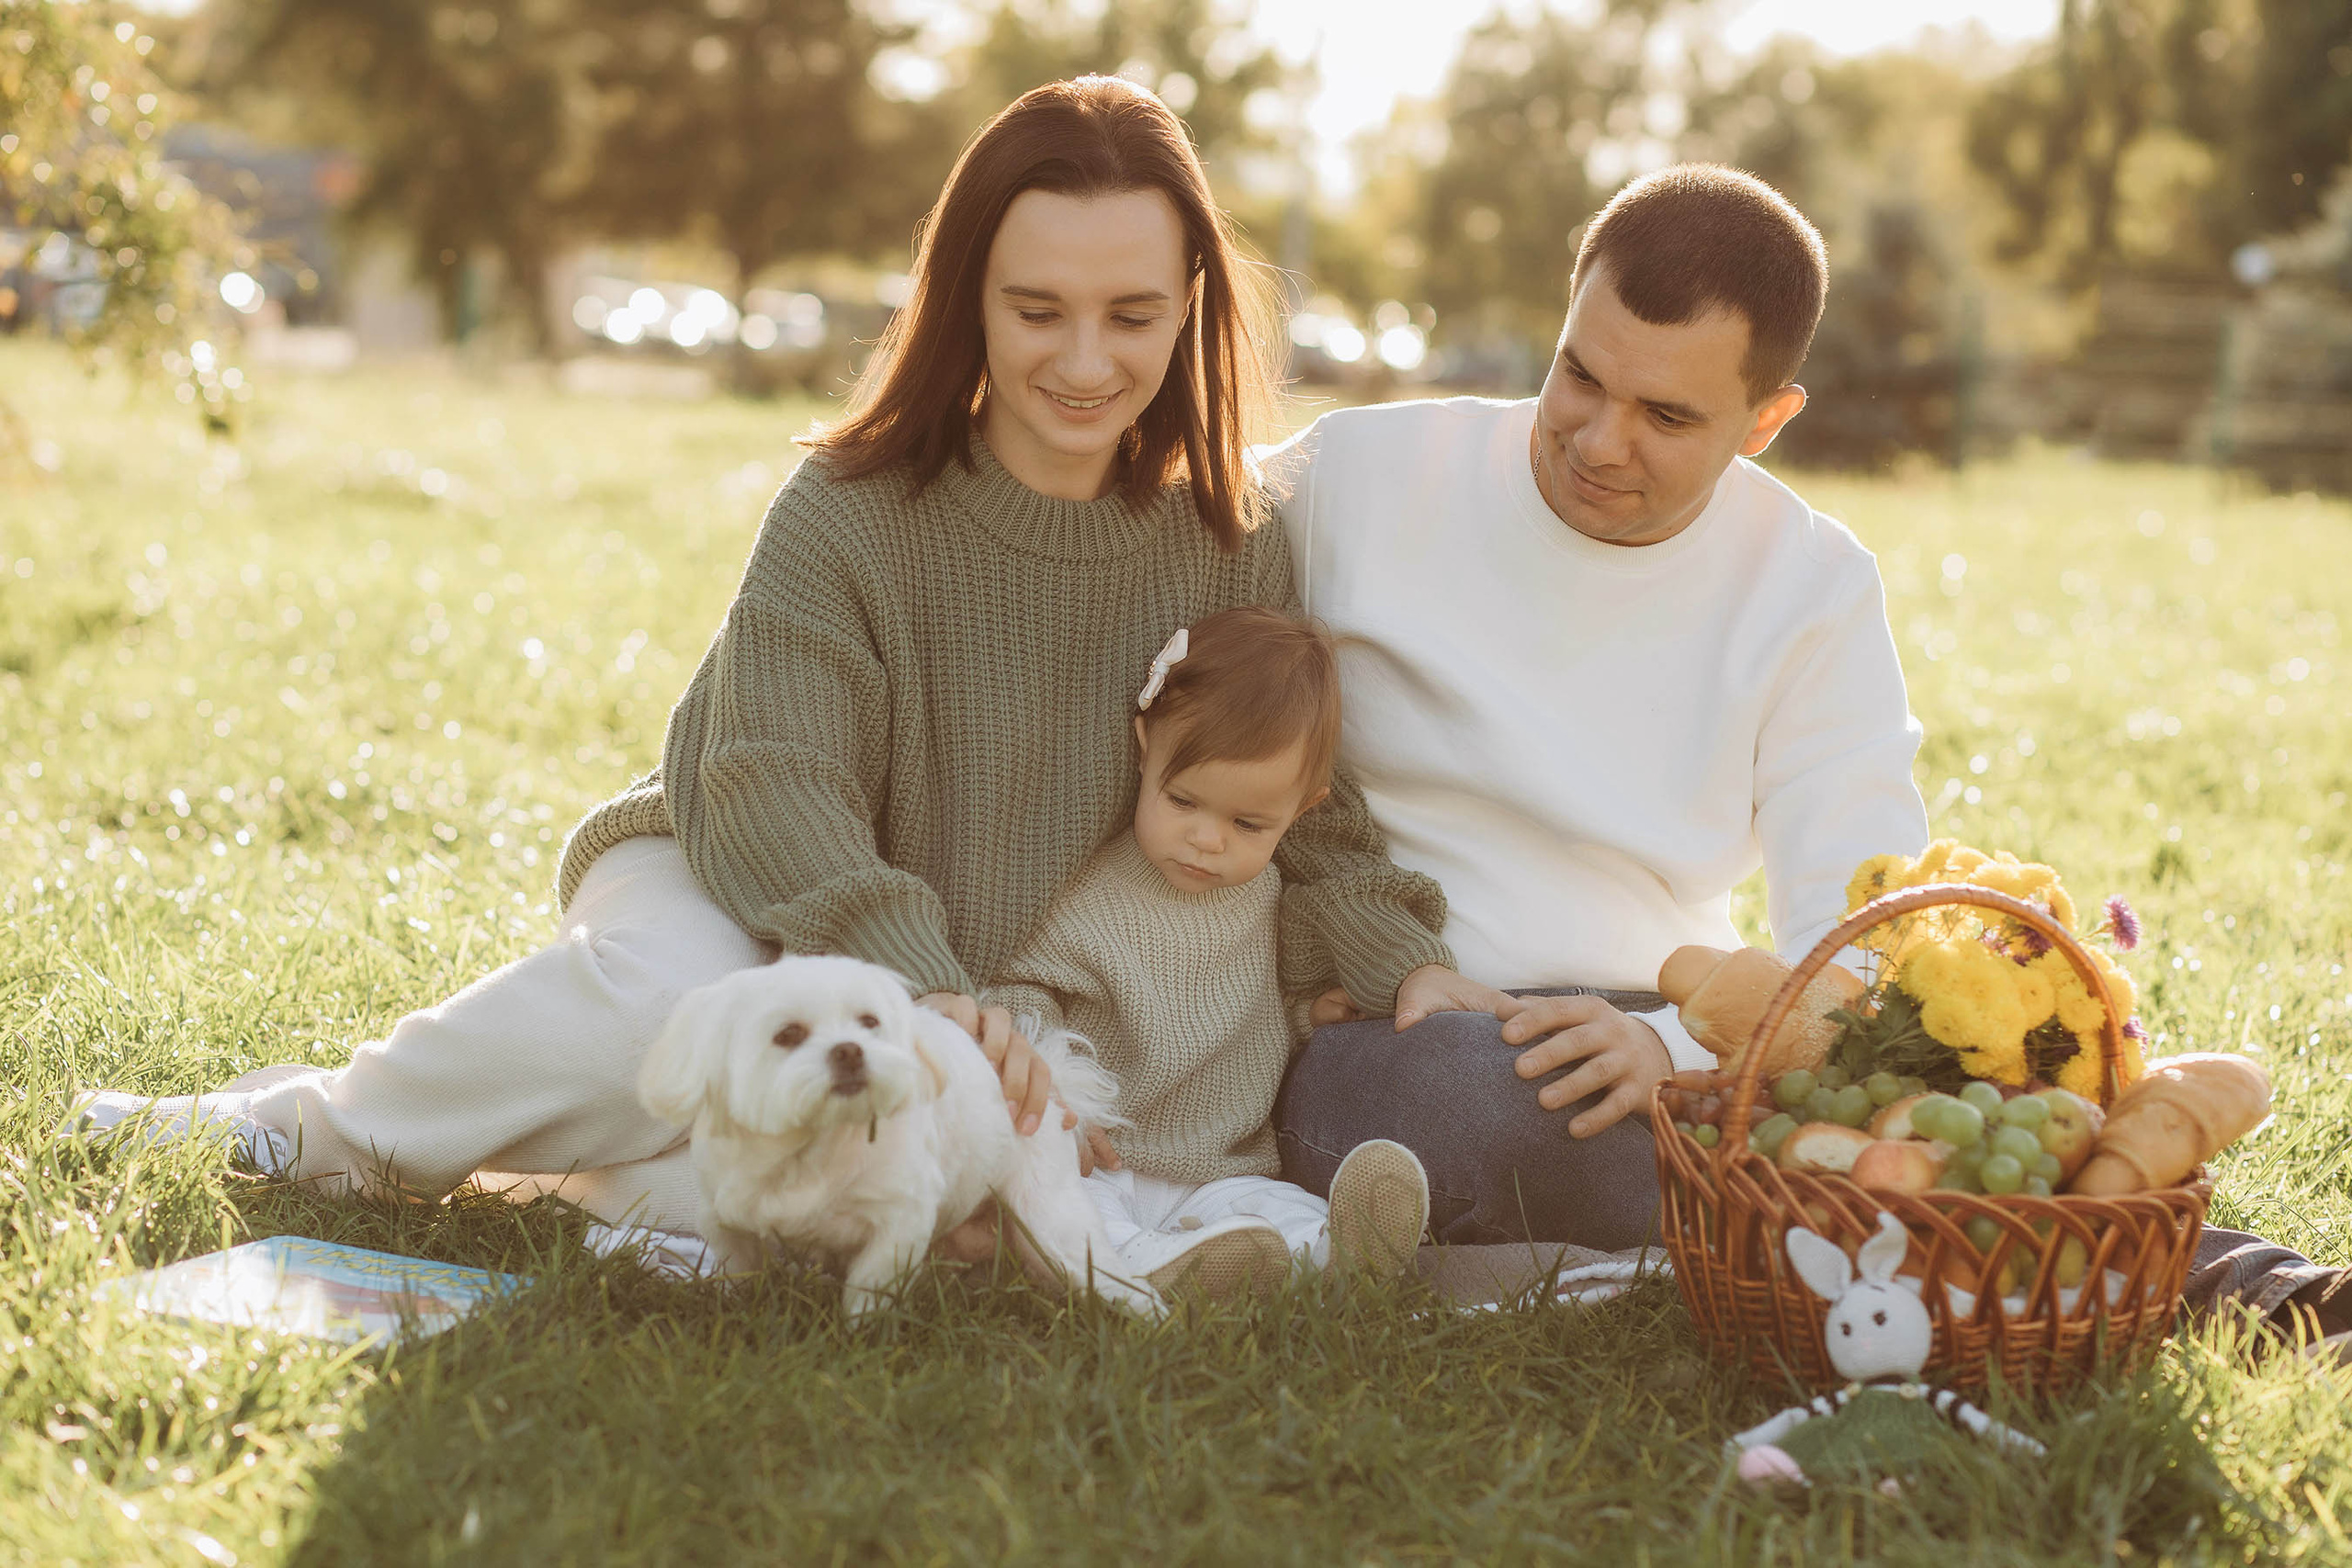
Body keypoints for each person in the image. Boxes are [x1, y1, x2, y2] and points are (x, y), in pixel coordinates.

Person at [70, 76, 1498, 1252]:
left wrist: (1407, 965)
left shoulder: (1223, 536)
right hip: (742, 878)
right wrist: (922, 984)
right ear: (968, 301)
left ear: (1192, 303)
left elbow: (1299, 795)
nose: (1083, 359)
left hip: (965, 1001)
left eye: (1131, 314)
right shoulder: (857, 503)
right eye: (1036, 309)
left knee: (923, 1217)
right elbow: (771, 777)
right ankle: (310, 1129)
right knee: (676, 1012)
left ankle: (623, 1190)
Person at [1268, 163, 2347, 1353]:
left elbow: (1857, 926)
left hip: (1670, 1040)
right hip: (1405, 1038)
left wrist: (1670, 1049)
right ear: (1566, 315)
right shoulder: (1356, 477)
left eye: (1669, 417)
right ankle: (1995, 1264)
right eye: (1580, 374)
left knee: (1886, 1093)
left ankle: (2232, 1279)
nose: (1598, 440)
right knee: (1484, 1094)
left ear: (1768, 419)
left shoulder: (1809, 586)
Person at [987, 607, 1432, 1295]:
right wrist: (1057, 1098)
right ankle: (1140, 1271)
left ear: (1302, 811)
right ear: (1145, 750)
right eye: (1183, 800)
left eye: (1248, 823)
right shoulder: (1087, 888)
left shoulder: (1274, 902)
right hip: (1102, 1158)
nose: (1207, 839)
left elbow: (1259, 1013)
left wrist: (1310, 1014)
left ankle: (1337, 1253)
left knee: (1278, 1215)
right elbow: (1024, 991)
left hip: (1224, 1169)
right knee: (1077, 1218)